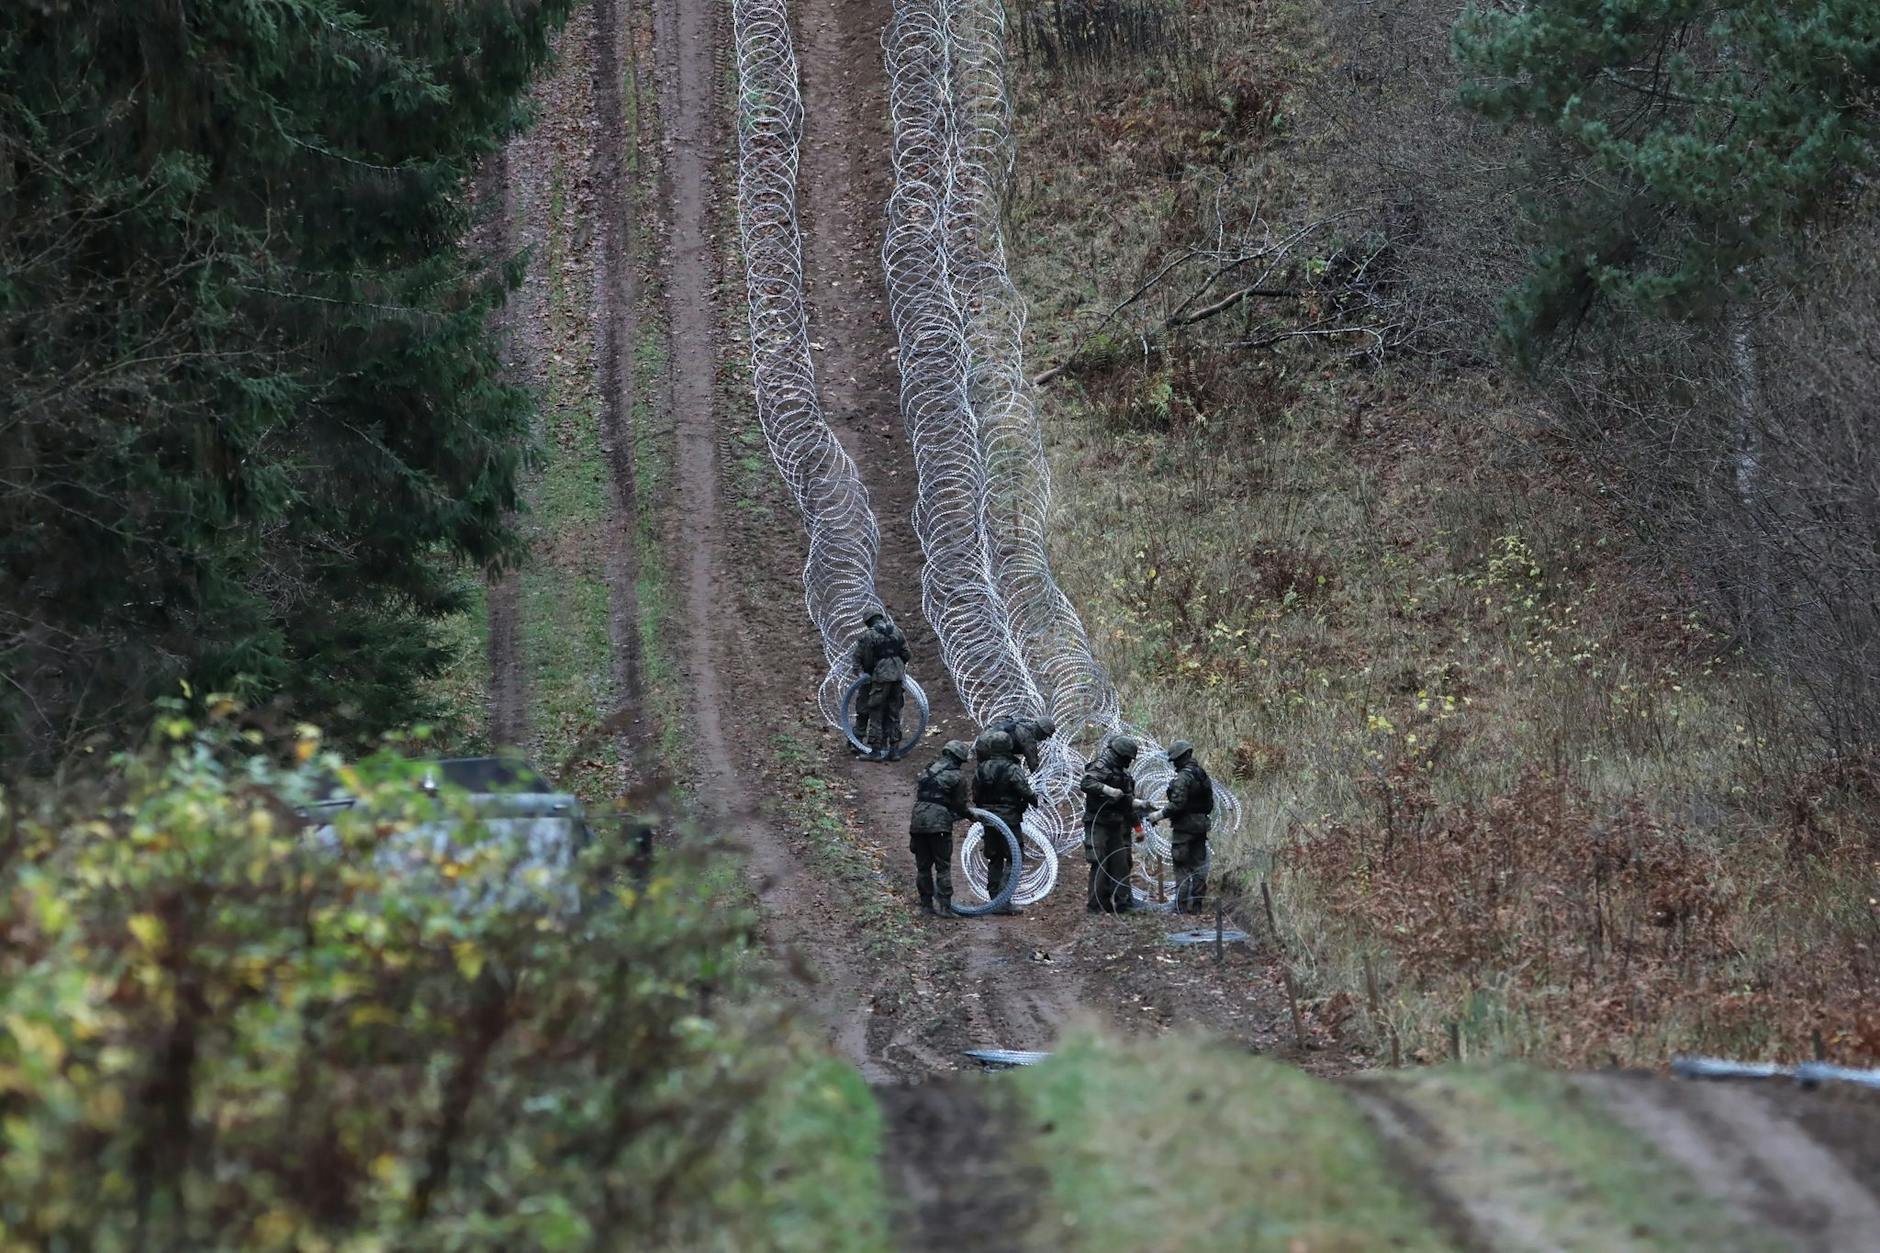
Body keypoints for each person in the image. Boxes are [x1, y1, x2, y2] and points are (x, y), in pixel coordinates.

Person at [1081, 735, 1152, 913]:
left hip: (1115, 824)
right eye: (1127, 758)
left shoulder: (1123, 775)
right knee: (1100, 863)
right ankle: (1096, 906)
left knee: (1121, 864)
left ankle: (1123, 904)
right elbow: (1086, 782)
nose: (1129, 762)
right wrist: (1107, 789)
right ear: (1120, 755)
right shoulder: (1101, 766)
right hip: (1097, 823)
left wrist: (1138, 818)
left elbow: (1126, 803)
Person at [971, 729, 1034, 915]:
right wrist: (1034, 799)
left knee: (994, 858)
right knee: (1014, 857)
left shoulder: (982, 768)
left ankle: (994, 899)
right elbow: (1024, 791)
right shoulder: (1012, 768)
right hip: (1009, 820)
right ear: (1008, 747)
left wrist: (985, 810)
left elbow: (975, 794)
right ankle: (1004, 899)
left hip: (989, 820)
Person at [908, 740, 972, 916]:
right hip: (938, 824)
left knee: (923, 867)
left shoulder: (927, 770)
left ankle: (926, 905)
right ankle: (945, 907)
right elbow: (960, 806)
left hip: (918, 820)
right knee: (942, 866)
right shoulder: (957, 777)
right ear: (957, 758)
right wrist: (971, 816)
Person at [1152, 740, 1214, 913]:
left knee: (1182, 866)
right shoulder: (1202, 774)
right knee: (1199, 866)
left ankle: (1181, 906)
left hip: (1184, 828)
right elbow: (1210, 803)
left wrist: (1158, 815)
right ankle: (1197, 905)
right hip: (1201, 826)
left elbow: (1176, 805)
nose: (1175, 764)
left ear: (1185, 756)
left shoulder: (1183, 777)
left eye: (1176, 759)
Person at [850, 611, 910, 760]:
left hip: (880, 677)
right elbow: (907, 654)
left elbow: (866, 659)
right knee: (894, 712)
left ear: (868, 622)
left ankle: (875, 751)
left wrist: (870, 672)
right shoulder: (896, 631)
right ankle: (894, 751)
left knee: (876, 711)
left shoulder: (869, 635)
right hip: (898, 677)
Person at [986, 713, 1058, 772]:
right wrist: (1040, 780)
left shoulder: (1020, 722)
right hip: (989, 749)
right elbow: (1034, 766)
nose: (1044, 738)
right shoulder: (1029, 739)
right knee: (1015, 771)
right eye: (1045, 735)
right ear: (1041, 731)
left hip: (985, 738)